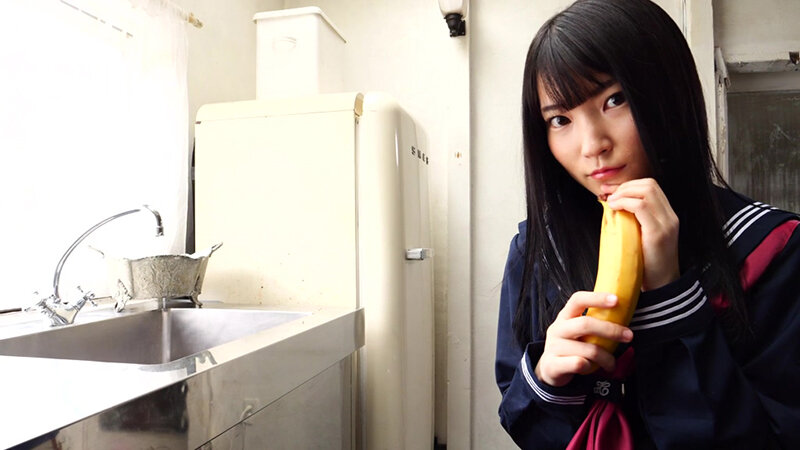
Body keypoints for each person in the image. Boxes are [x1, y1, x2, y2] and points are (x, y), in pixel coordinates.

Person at [494, 0, 800, 448]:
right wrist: (545, 380)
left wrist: (671, 296)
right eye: (560, 120)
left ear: (670, 94)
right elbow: (519, 418)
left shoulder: (772, 248)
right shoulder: (538, 251)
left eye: (614, 100)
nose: (592, 145)